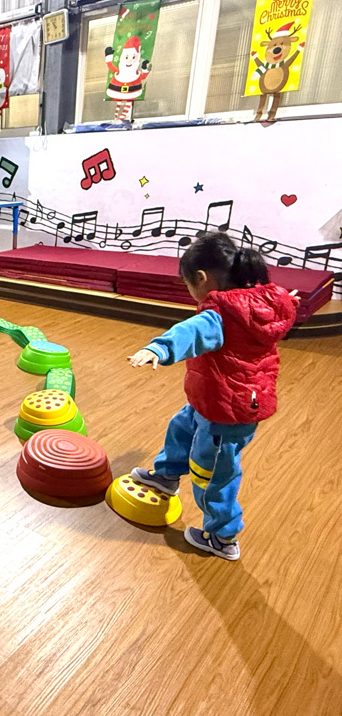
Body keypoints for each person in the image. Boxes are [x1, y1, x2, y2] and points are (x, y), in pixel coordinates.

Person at [126, 232, 297, 560]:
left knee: (214, 474)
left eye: (187, 284)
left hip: (226, 413)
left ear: (201, 278)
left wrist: (158, 348)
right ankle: (167, 475)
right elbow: (281, 306)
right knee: (182, 426)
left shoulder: (220, 314)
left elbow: (190, 331)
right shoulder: (259, 303)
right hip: (221, 398)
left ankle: (222, 537)